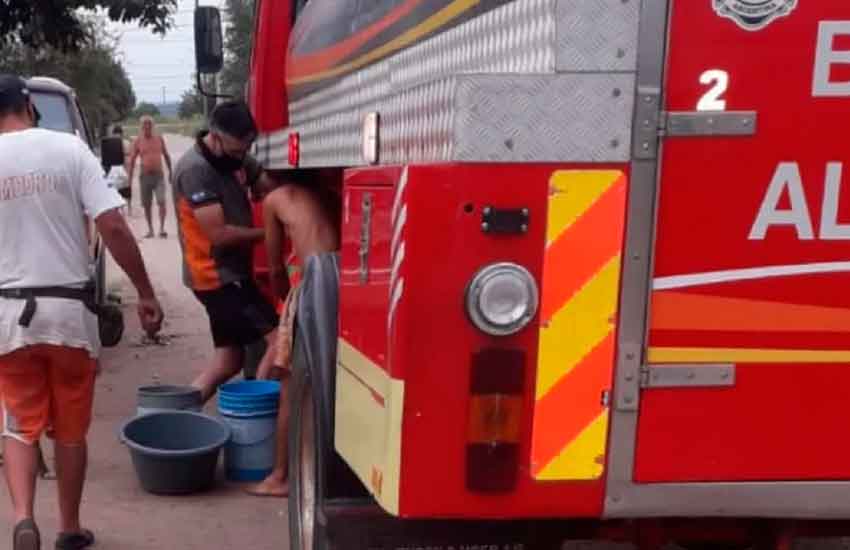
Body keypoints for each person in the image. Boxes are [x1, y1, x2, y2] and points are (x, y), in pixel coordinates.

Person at [0, 74, 164, 550]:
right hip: (69, 314)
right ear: (29, 106)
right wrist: (145, 293)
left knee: (18, 422)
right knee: (70, 430)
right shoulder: (70, 151)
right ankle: (69, 528)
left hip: (9, 318)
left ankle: (23, 518)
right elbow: (112, 225)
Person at [172, 100, 279, 404]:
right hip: (217, 278)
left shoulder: (236, 158)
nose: (242, 157)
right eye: (236, 150)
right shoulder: (194, 170)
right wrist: (272, 232)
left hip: (231, 274)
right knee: (279, 341)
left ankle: (178, 416)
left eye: (246, 149)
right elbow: (218, 235)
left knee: (228, 360)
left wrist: (276, 194)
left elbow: (265, 183)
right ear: (215, 137)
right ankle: (258, 418)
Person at [247, 171, 340, 498]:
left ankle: (280, 476)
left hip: (314, 286)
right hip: (342, 280)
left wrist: (283, 301)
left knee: (290, 387)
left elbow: (273, 267)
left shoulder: (275, 200)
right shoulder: (322, 194)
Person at [128, 116, 171, 238]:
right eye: (144, 125)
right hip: (144, 176)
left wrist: (171, 172)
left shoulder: (159, 138)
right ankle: (150, 229)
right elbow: (132, 160)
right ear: (141, 127)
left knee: (161, 201)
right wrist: (129, 179)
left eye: (149, 124)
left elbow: (166, 155)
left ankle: (162, 228)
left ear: (152, 126)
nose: (147, 127)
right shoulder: (138, 141)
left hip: (159, 176)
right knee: (147, 204)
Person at [105, 125, 132, 216]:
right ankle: (126, 208)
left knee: (120, 188)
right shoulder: (125, 142)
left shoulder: (113, 143)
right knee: (122, 188)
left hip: (119, 168)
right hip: (120, 168)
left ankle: (125, 208)